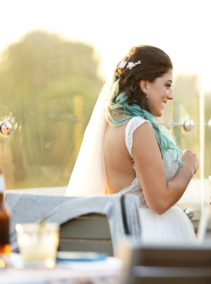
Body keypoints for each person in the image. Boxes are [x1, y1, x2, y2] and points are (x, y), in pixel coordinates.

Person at [66, 45, 199, 242]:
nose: (171, 95)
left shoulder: (112, 124)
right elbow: (159, 201)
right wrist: (187, 167)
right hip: (150, 234)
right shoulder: (138, 127)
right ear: (145, 86)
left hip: (123, 229)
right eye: (167, 85)